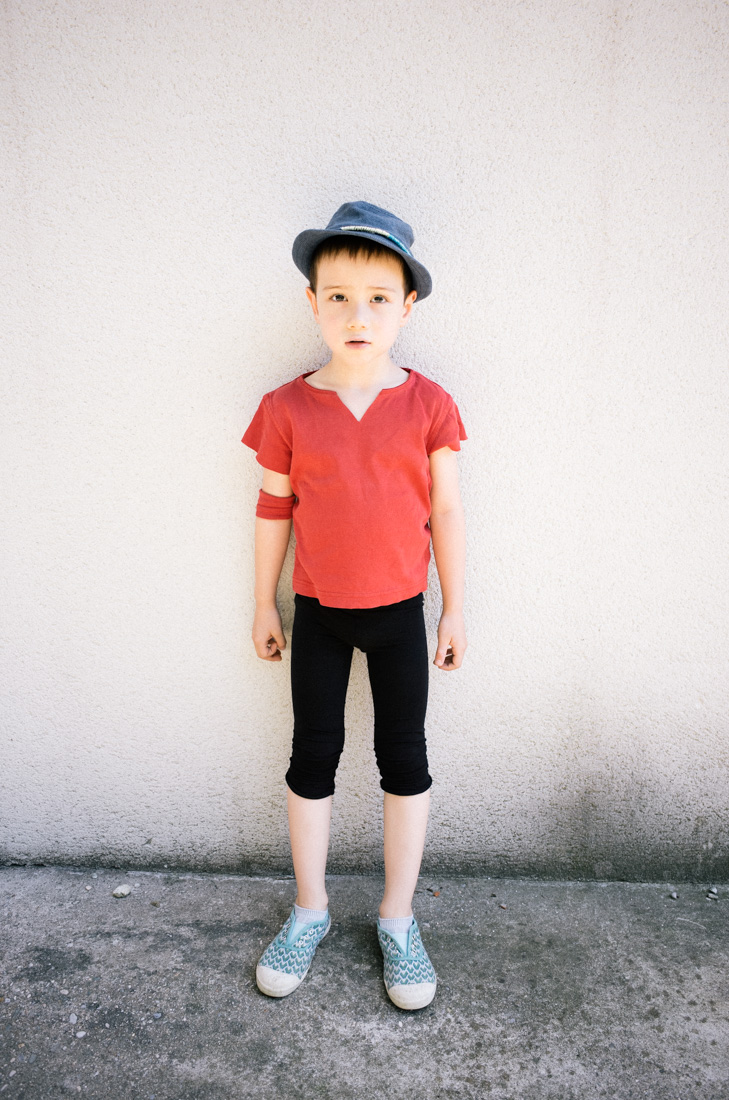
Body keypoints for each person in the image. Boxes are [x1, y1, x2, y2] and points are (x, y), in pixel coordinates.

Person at [242, 200, 467, 1010]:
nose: (356, 315)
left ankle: (397, 919)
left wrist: (454, 609)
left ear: (407, 307)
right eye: (337, 296)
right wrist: (263, 603)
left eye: (377, 298)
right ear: (312, 302)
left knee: (404, 761)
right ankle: (310, 910)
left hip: (401, 614)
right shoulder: (286, 408)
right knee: (312, 757)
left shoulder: (429, 405)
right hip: (319, 613)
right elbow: (273, 509)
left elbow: (445, 511)